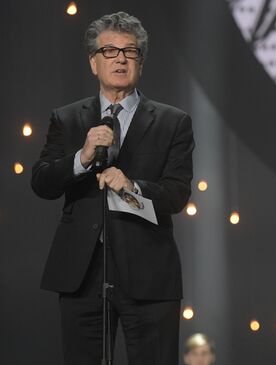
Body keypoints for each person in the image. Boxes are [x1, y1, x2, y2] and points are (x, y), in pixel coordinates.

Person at [31, 11, 194, 365]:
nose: (120, 58)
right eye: (109, 51)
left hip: (149, 275)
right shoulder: (67, 118)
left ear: (141, 62)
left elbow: (177, 194)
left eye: (130, 51)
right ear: (94, 62)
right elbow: (42, 182)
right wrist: (83, 156)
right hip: (82, 273)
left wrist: (131, 187)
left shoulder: (173, 121)